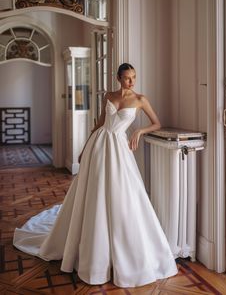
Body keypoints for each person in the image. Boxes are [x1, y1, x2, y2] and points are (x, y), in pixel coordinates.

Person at [13, 63, 178, 288]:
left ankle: (121, 250)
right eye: (127, 78)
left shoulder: (140, 99)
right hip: (98, 145)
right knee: (94, 191)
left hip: (119, 148)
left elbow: (157, 123)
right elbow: (101, 123)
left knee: (123, 194)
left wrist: (138, 130)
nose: (131, 82)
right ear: (118, 78)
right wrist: (83, 148)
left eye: (134, 78)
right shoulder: (108, 96)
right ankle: (90, 245)